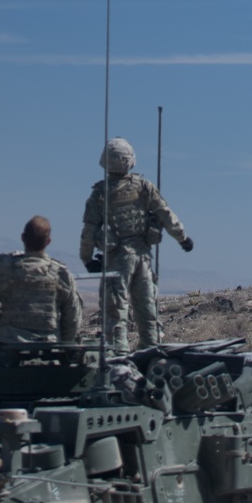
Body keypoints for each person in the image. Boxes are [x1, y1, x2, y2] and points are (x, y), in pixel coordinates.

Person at [80, 137, 193, 355]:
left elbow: (88, 230)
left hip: (115, 261)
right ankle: (151, 355)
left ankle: (117, 359)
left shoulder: (100, 194)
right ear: (130, 160)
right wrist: (182, 238)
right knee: (147, 311)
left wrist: (87, 259)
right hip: (142, 258)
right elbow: (165, 214)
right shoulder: (143, 187)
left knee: (115, 313)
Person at [0, 216, 82, 347]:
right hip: (49, 347)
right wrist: (63, 344)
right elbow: (72, 317)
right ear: (48, 241)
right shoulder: (62, 273)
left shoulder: (5, 266)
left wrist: (18, 256)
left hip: (10, 345)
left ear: (23, 238)